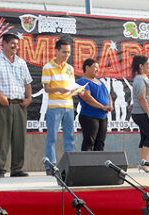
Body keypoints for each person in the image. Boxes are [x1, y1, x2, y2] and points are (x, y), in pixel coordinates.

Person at [0, 33, 32, 178]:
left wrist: (29, 98)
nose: (15, 46)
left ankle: (17, 169)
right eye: (12, 43)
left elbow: (27, 82)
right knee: (0, 137)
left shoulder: (21, 62)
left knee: (19, 137)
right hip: (2, 104)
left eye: (17, 44)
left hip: (20, 104)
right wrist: (0, 96)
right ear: (3, 44)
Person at [42, 38, 75, 175]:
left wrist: (77, 90)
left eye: (68, 52)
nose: (66, 55)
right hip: (55, 106)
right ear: (56, 51)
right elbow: (46, 88)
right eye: (64, 52)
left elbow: (72, 86)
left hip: (69, 106)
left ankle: (70, 165)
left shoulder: (70, 68)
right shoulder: (48, 67)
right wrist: (59, 90)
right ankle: (50, 167)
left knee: (70, 137)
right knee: (52, 137)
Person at [77, 58, 113, 151]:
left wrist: (110, 106)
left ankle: (99, 164)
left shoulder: (100, 82)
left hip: (103, 117)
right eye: (95, 67)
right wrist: (102, 106)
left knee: (100, 143)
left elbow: (108, 95)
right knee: (89, 142)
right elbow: (87, 97)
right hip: (89, 116)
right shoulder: (82, 81)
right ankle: (87, 164)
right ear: (87, 67)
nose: (97, 70)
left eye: (98, 68)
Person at [131, 55, 149, 173]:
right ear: (141, 66)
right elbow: (141, 98)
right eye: (148, 64)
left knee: (145, 136)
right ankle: (144, 163)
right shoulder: (140, 79)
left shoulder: (143, 78)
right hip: (142, 113)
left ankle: (142, 162)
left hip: (142, 113)